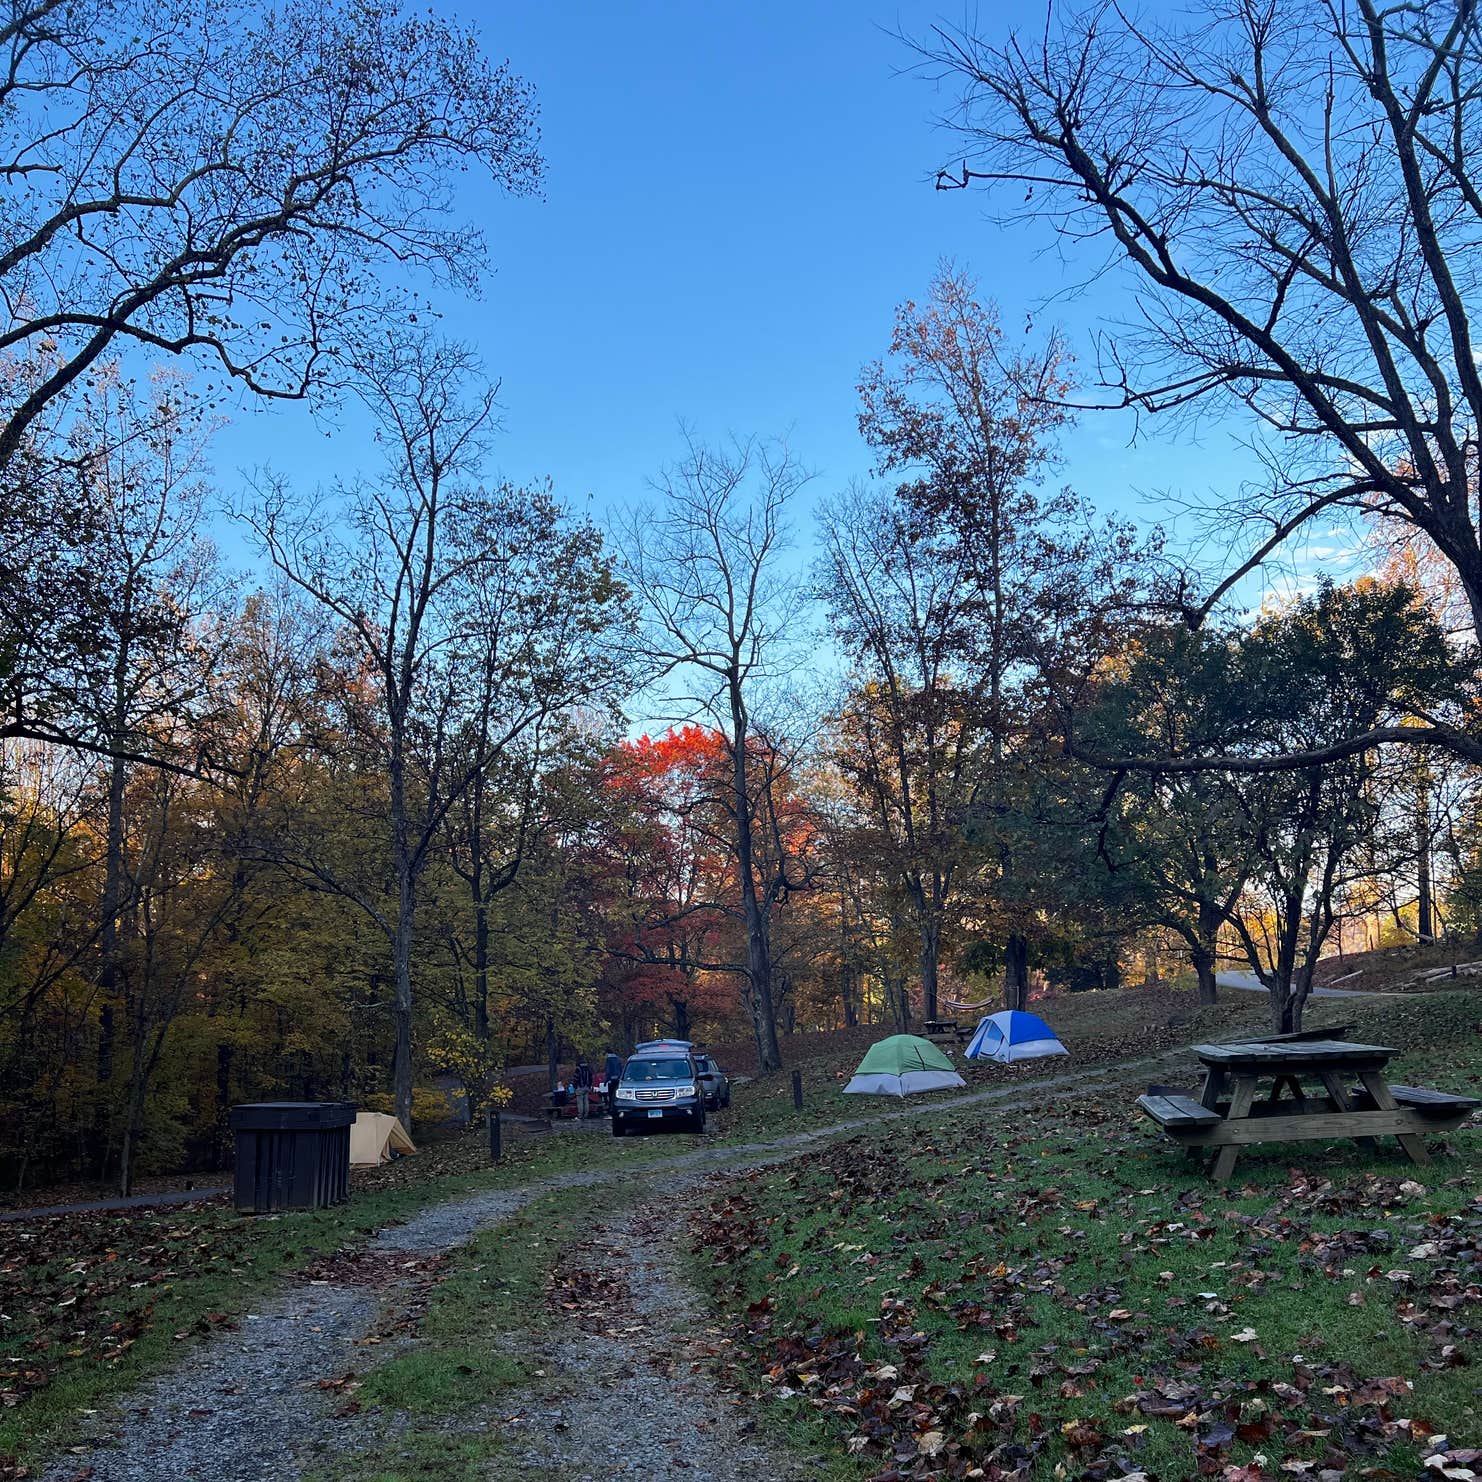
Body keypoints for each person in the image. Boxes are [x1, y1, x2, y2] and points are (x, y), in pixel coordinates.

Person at [574, 1056, 594, 1120]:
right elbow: (591, 1077)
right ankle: (586, 1115)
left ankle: (580, 1116)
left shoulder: (578, 1068)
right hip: (587, 1086)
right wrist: (589, 1085)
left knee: (580, 1102)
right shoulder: (588, 1068)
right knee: (586, 1101)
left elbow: (576, 1078)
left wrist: (575, 1086)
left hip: (580, 1087)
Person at [604, 1048, 623, 1112]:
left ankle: (611, 1109)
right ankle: (617, 1108)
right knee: (616, 1095)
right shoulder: (618, 1059)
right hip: (618, 1079)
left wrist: (606, 1080)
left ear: (607, 1053)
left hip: (611, 1080)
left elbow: (608, 1071)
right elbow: (621, 1069)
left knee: (611, 1095)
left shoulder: (609, 1060)